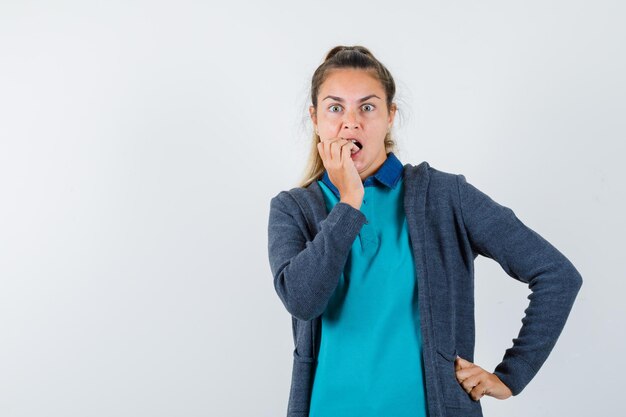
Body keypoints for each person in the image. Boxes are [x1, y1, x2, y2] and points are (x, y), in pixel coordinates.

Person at [267, 45, 583, 417]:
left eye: (367, 107)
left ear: (390, 117)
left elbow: (557, 275)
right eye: (335, 108)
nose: (350, 123)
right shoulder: (293, 208)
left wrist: (512, 375)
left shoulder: (445, 197)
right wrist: (349, 201)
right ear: (315, 119)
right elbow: (303, 301)